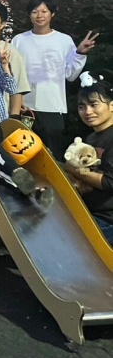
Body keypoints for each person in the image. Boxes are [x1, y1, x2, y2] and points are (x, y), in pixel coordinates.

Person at [12, 0, 97, 159]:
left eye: (44, 11)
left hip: (53, 105)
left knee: (52, 154)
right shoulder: (19, 40)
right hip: (24, 106)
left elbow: (70, 75)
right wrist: (15, 102)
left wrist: (80, 53)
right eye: (35, 11)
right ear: (29, 15)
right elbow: (12, 74)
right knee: (23, 154)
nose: (39, 15)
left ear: (52, 14)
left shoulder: (64, 41)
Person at [66, 73, 113, 242]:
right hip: (90, 213)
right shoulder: (91, 139)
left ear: (111, 106)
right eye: (82, 106)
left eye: (94, 105)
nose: (88, 112)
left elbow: (109, 182)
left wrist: (75, 171)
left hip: (108, 221)